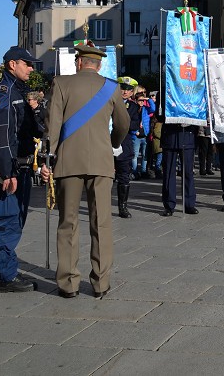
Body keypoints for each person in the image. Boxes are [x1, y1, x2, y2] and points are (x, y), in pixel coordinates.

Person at [41, 43, 129, 299]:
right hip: (102, 163)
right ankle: (101, 283)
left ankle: (68, 283)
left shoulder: (61, 83)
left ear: (78, 62)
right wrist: (111, 143)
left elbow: (52, 126)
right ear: (99, 65)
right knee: (101, 222)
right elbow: (124, 124)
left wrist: (48, 159)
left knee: (68, 222)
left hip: (68, 163)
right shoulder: (112, 87)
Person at [0, 47, 41, 292]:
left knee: (14, 217)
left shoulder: (17, 91)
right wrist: (8, 173)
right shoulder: (5, 94)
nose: (31, 68)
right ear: (12, 65)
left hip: (20, 166)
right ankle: (6, 276)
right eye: (27, 64)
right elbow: (2, 137)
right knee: (10, 220)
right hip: (11, 168)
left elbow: (27, 129)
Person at [114, 76, 140, 218]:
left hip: (124, 144)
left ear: (132, 93)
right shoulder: (109, 103)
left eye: (128, 90)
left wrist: (122, 123)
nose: (125, 92)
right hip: (107, 143)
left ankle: (122, 206)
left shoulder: (134, 107)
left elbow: (135, 125)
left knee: (124, 176)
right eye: (122, 88)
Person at [161, 123, 199, 216]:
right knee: (169, 173)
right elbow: (159, 114)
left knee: (188, 172)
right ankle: (169, 205)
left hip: (187, 135)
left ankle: (189, 204)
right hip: (170, 136)